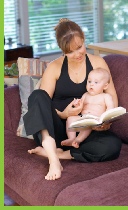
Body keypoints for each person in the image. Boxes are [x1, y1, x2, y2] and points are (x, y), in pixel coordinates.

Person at [23, 18, 122, 181]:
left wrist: (105, 121)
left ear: (83, 39)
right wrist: (64, 113)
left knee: (112, 145)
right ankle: (53, 159)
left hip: (85, 130)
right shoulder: (54, 67)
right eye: (70, 51)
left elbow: (112, 98)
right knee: (37, 95)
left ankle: (61, 154)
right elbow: (42, 105)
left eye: (79, 47)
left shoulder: (98, 63)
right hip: (55, 130)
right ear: (62, 50)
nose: (77, 54)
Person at [62, 68, 115, 148]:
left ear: (105, 86)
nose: (91, 84)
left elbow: (111, 108)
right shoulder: (85, 95)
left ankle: (78, 140)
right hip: (83, 117)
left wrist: (105, 119)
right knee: (70, 118)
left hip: (95, 120)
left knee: (88, 125)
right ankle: (71, 138)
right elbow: (80, 107)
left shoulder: (105, 96)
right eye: (89, 81)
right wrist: (76, 104)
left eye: (96, 82)